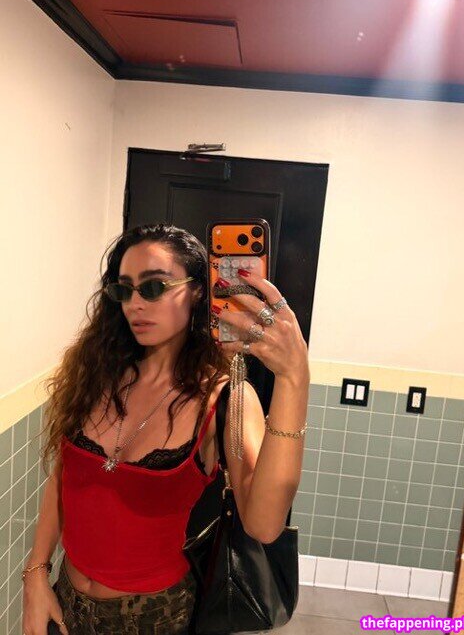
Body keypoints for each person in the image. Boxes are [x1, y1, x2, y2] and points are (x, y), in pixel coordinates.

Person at [21, 222, 310, 634]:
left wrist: (294, 378)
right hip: (64, 604)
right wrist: (35, 574)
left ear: (197, 291)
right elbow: (63, 477)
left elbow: (263, 525)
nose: (135, 304)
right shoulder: (96, 375)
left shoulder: (224, 398)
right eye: (124, 290)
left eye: (154, 287)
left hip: (155, 617)